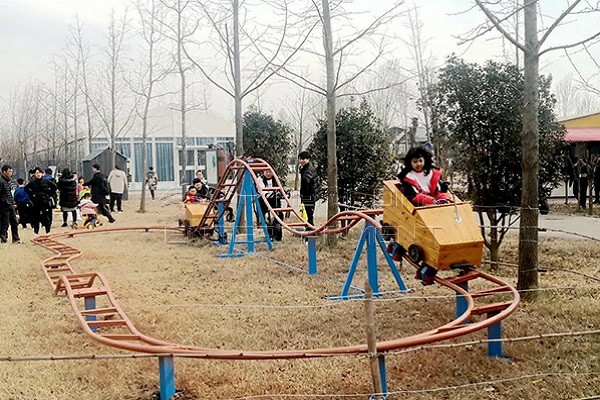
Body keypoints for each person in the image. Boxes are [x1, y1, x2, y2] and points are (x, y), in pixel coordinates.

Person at [25, 167, 58, 234]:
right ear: (34, 174)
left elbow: (54, 187)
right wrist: (31, 195)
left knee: (46, 216)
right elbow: (26, 189)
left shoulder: (46, 181)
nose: (38, 174)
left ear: (42, 173)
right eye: (37, 173)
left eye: (40, 173)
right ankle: (36, 231)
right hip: (36, 201)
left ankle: (47, 231)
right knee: (36, 217)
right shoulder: (32, 182)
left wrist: (49, 193)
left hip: (45, 201)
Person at [0, 165, 21, 243]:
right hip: (4, 206)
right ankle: (3, 238)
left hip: (10, 205)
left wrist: (13, 202)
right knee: (5, 224)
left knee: (14, 222)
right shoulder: (1, 181)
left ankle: (15, 239)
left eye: (11, 171)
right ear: (4, 172)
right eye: (9, 171)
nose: (11, 173)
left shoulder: (8, 181)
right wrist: (3, 202)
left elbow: (9, 193)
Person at [298, 151, 318, 227]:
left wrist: (302, 195)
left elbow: (305, 183)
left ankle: (310, 228)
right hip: (311, 194)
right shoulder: (307, 168)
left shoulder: (307, 170)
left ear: (308, 159)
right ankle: (309, 227)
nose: (301, 161)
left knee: (309, 213)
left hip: (309, 195)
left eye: (303, 159)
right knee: (308, 212)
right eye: (300, 159)